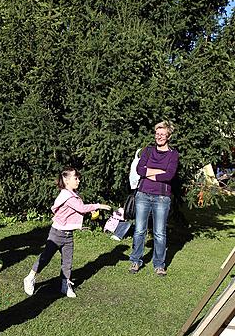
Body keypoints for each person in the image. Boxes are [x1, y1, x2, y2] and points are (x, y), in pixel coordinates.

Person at [23, 167, 111, 298]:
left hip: (68, 235)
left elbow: (77, 210)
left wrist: (88, 212)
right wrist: (98, 206)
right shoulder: (66, 195)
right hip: (56, 234)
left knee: (67, 262)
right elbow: (81, 208)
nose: (79, 181)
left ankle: (65, 284)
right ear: (66, 180)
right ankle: (30, 278)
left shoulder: (73, 195)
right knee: (45, 258)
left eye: (78, 178)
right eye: (75, 178)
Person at [128, 121, 180, 276]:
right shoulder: (148, 150)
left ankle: (159, 265)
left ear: (168, 136)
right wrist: (158, 171)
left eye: (162, 134)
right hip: (143, 194)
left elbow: (169, 175)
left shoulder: (173, 154)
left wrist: (149, 172)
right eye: (157, 134)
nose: (159, 137)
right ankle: (135, 261)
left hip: (162, 198)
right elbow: (139, 170)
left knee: (159, 233)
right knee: (139, 230)